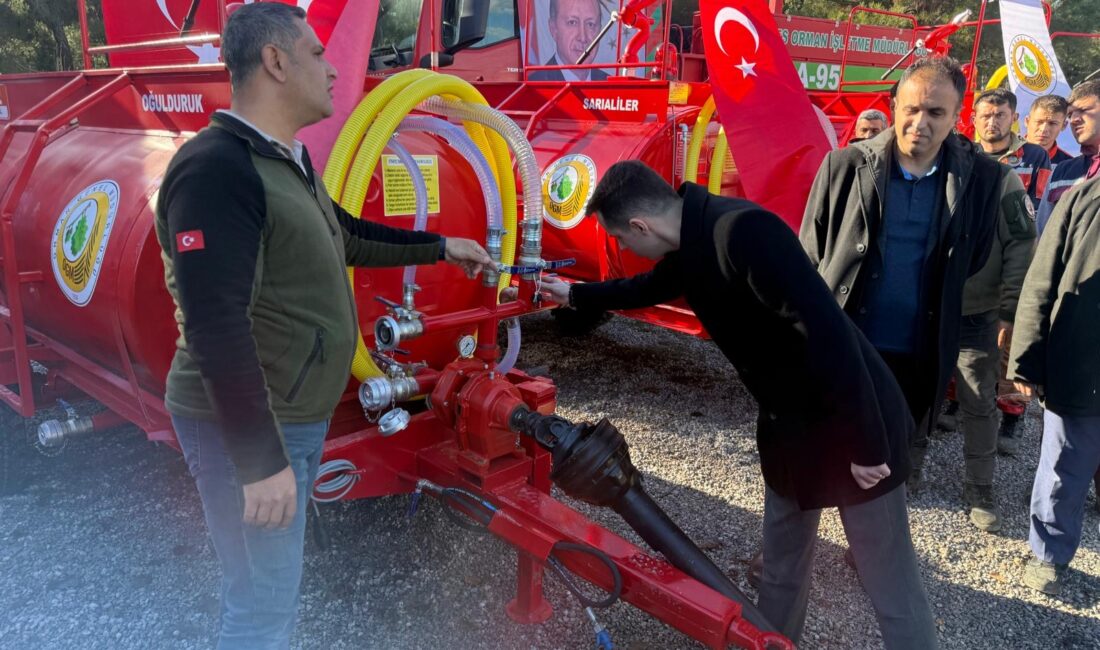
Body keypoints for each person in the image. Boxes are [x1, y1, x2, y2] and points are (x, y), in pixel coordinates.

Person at [154, 5, 493, 648]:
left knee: (267, 596)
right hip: (252, 431)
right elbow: (215, 324)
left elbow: (350, 235)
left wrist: (441, 246)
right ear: (275, 62)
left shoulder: (286, 161)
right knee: (261, 608)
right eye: (316, 53)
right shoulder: (217, 169)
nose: (334, 69)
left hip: (292, 415)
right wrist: (259, 461)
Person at [538, 161, 937, 649]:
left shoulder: (746, 232)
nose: (624, 249)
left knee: (887, 577)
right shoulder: (692, 239)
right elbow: (645, 288)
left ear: (641, 226)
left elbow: (832, 338)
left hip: (852, 417)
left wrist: (869, 443)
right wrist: (576, 294)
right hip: (789, 429)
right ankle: (771, 643)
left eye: (621, 239)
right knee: (782, 567)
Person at [800, 58, 1028, 494]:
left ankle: (874, 544)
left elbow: (987, 253)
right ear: (893, 105)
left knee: (891, 455)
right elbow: (810, 254)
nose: (920, 122)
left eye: (936, 113)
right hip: (850, 340)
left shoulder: (984, 180)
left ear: (957, 116)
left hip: (919, 350)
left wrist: (1008, 312)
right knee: (829, 444)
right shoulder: (844, 166)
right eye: (911, 109)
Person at [930, 90, 1039, 531]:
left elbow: (1020, 245)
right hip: (931, 308)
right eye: (983, 115)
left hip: (978, 315)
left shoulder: (1003, 179)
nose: (990, 123)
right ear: (969, 119)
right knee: (921, 393)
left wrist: (1009, 313)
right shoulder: (934, 170)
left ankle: (980, 485)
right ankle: (910, 470)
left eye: (1000, 116)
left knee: (979, 402)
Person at [1009, 175, 1100, 596]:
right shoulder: (1083, 197)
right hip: (1084, 364)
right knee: (1064, 466)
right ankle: (1049, 552)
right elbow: (1041, 279)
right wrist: (1026, 360)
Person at [1035, 80, 1100, 237]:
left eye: (1083, 110)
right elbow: (1044, 238)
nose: (1074, 120)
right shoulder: (1061, 172)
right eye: (1070, 114)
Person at [972, 88, 1052, 209]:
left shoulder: (1036, 155)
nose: (992, 122)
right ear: (974, 120)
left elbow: (1040, 207)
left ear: (1014, 118)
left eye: (1000, 115)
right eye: (986, 116)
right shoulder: (964, 155)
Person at [528, 0, 608, 81]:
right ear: (553, 28)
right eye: (572, 22)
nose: (583, 38)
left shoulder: (611, 86)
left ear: (600, 30)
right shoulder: (533, 88)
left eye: (591, 24)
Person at [1025, 94, 1074, 171]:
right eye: (1039, 122)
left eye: (1052, 123)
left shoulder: (1070, 166)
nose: (1044, 129)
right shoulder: (1003, 155)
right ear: (1027, 121)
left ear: (1064, 126)